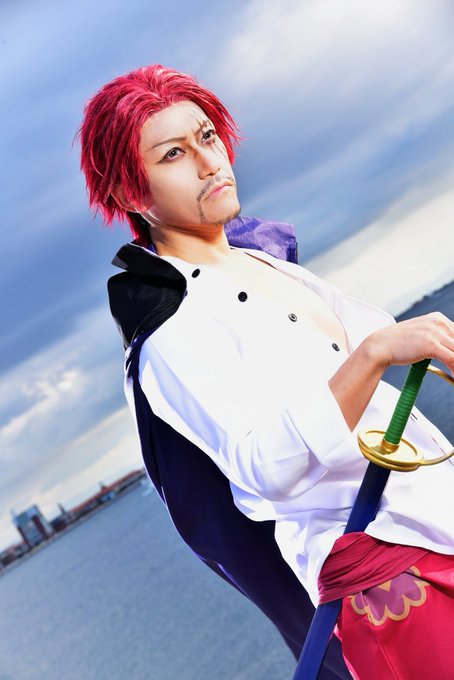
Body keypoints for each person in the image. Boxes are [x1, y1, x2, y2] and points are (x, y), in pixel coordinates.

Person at [79, 64, 454, 679]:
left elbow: (381, 349)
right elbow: (264, 468)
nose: (209, 163)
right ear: (129, 193)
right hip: (389, 578)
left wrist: (407, 346)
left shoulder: (266, 261)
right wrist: (373, 355)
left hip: (437, 521)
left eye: (207, 136)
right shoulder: (170, 331)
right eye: (173, 154)